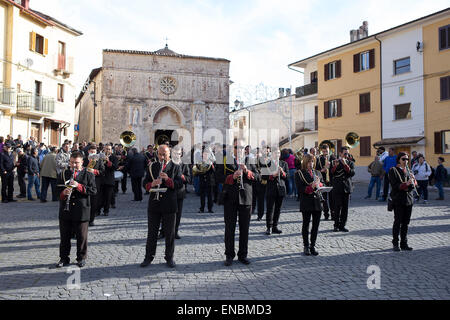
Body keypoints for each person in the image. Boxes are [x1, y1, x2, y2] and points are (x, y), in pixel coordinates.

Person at [140, 145, 183, 268]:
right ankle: (148, 257)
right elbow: (145, 183)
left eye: (164, 154)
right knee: (152, 232)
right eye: (160, 154)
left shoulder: (176, 166)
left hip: (169, 203)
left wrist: (168, 180)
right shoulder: (152, 166)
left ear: (169, 154)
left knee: (170, 233)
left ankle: (169, 257)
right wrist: (151, 184)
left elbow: (180, 184)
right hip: (154, 203)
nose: (162, 157)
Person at [55, 151, 97, 268]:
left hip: (81, 210)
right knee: (64, 236)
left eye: (77, 163)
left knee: (81, 236)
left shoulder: (88, 174)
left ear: (82, 162)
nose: (74, 165)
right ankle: (63, 258)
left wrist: (78, 186)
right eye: (72, 162)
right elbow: (56, 191)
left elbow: (93, 191)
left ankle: (81, 257)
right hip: (65, 210)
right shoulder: (63, 174)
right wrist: (64, 192)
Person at [222, 140, 258, 266]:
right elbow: (218, 177)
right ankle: (229, 255)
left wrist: (248, 172)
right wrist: (232, 177)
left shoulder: (250, 161)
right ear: (233, 148)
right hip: (230, 198)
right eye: (237, 147)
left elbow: (258, 177)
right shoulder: (226, 160)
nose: (240, 149)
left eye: (242, 147)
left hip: (246, 198)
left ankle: (243, 255)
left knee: (245, 229)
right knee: (229, 228)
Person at [295, 154, 324, 256]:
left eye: (312, 161)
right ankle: (306, 246)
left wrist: (319, 184)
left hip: (317, 202)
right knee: (306, 225)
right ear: (305, 162)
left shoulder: (317, 173)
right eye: (309, 162)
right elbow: (300, 188)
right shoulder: (299, 173)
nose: (311, 164)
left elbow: (322, 183)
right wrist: (311, 187)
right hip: (306, 201)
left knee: (315, 226)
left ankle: (313, 246)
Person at [388, 152, 415, 251]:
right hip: (398, 200)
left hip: (408, 200)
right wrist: (406, 184)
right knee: (398, 222)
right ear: (399, 160)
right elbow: (395, 186)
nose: (406, 161)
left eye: (407, 159)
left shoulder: (409, 170)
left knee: (406, 223)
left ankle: (404, 243)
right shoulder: (393, 170)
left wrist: (413, 181)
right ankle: (395, 243)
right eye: (403, 159)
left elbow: (412, 186)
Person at [263, 149, 289, 235]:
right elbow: (263, 176)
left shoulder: (284, 163)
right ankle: (268, 227)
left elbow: (287, 176)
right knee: (270, 209)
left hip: (281, 188)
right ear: (272, 154)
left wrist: (282, 172)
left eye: (278, 153)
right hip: (271, 188)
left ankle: (275, 226)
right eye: (275, 153)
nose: (277, 154)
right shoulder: (268, 163)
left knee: (278, 209)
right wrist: (272, 175)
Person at [330, 146, 355, 232]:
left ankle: (342, 225)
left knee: (345, 208)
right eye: (345, 153)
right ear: (340, 153)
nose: (346, 155)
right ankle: (336, 225)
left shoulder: (350, 162)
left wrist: (345, 165)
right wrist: (336, 166)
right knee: (337, 207)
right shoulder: (334, 162)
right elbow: (331, 173)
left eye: (347, 153)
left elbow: (352, 173)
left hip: (347, 188)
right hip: (337, 187)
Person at [172, 146, 191, 239]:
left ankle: (175, 231)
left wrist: (184, 177)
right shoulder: (169, 163)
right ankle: (164, 231)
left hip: (180, 192)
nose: (177, 155)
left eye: (179, 154)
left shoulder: (184, 163)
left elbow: (189, 178)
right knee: (167, 213)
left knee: (178, 213)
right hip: (169, 192)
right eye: (175, 153)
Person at [315, 144, 335, 220]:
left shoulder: (333, 157)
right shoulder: (319, 159)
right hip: (323, 181)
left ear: (329, 150)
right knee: (324, 199)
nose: (325, 153)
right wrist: (322, 170)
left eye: (326, 151)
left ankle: (333, 214)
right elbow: (317, 170)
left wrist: (331, 166)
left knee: (332, 199)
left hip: (331, 180)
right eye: (323, 151)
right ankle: (326, 214)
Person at [98, 144, 118, 216]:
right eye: (106, 149)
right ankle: (98, 210)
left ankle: (106, 211)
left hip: (109, 180)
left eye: (109, 149)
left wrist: (108, 161)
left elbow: (115, 167)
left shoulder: (114, 158)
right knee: (100, 197)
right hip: (101, 180)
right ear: (104, 149)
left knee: (108, 197)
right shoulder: (100, 157)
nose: (108, 150)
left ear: (111, 150)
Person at [255, 146, 271, 221]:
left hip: (270, 181)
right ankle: (260, 215)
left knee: (269, 200)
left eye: (268, 151)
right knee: (260, 200)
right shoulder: (259, 159)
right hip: (261, 181)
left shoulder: (271, 159)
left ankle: (269, 215)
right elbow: (256, 168)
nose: (266, 152)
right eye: (265, 151)